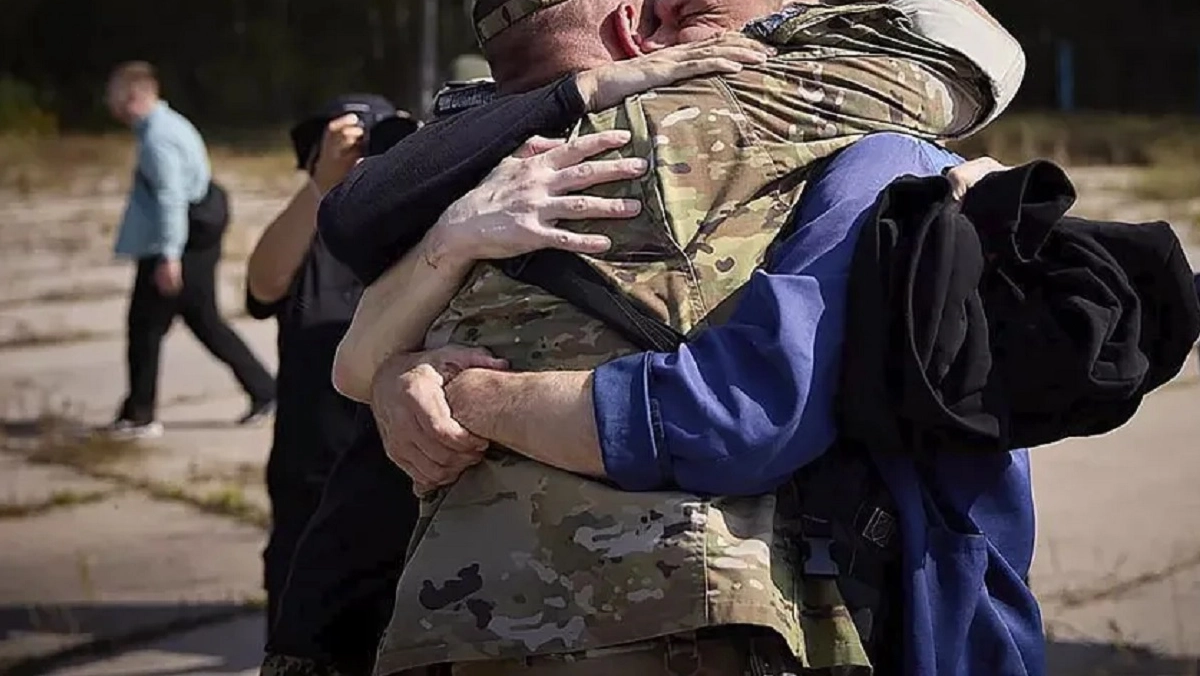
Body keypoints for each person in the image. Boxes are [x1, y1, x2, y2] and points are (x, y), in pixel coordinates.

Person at [269, 0, 1023, 676]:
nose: (665, 33)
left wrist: (424, 368)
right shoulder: (750, 104)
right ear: (630, 26)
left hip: (452, 618)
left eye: (686, 13)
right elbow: (977, 49)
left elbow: (354, 359)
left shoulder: (476, 175)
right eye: (662, 13)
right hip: (674, 607)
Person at [372, 133, 1045, 676]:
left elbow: (744, 415)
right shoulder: (573, 159)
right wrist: (399, 373)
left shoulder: (882, 163)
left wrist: (472, 398)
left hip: (902, 626)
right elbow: (353, 356)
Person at [243, 95, 422, 628]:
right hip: (312, 473)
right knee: (299, 622)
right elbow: (263, 284)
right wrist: (321, 187)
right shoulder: (311, 233)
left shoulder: (422, 228)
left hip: (401, 478)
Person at [103, 61, 275, 439]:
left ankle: (140, 415)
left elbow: (171, 198)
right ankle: (265, 391)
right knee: (200, 321)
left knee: (146, 328)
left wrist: (169, 255)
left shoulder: (157, 138)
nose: (109, 104)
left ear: (134, 95)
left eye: (114, 95)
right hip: (189, 238)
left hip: (179, 244)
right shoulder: (166, 125)